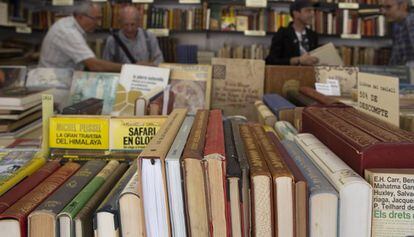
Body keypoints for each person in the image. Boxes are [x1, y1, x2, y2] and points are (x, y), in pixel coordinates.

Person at [38, 1, 123, 72]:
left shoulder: (68, 24)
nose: (99, 23)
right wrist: (129, 68)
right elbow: (94, 65)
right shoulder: (69, 33)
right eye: (96, 19)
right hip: (52, 85)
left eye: (100, 18)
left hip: (56, 80)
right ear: (80, 17)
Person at [265, 0, 319, 66]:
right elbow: (271, 60)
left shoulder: (313, 35)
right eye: (308, 11)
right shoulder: (282, 33)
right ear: (296, 13)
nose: (312, 14)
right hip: (287, 75)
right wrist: (298, 60)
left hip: (309, 74)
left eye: (313, 11)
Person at [382, 0, 414, 66]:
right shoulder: (398, 25)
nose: (383, 11)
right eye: (383, 7)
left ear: (403, 6)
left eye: (388, 7)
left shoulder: (411, 21)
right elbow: (396, 58)